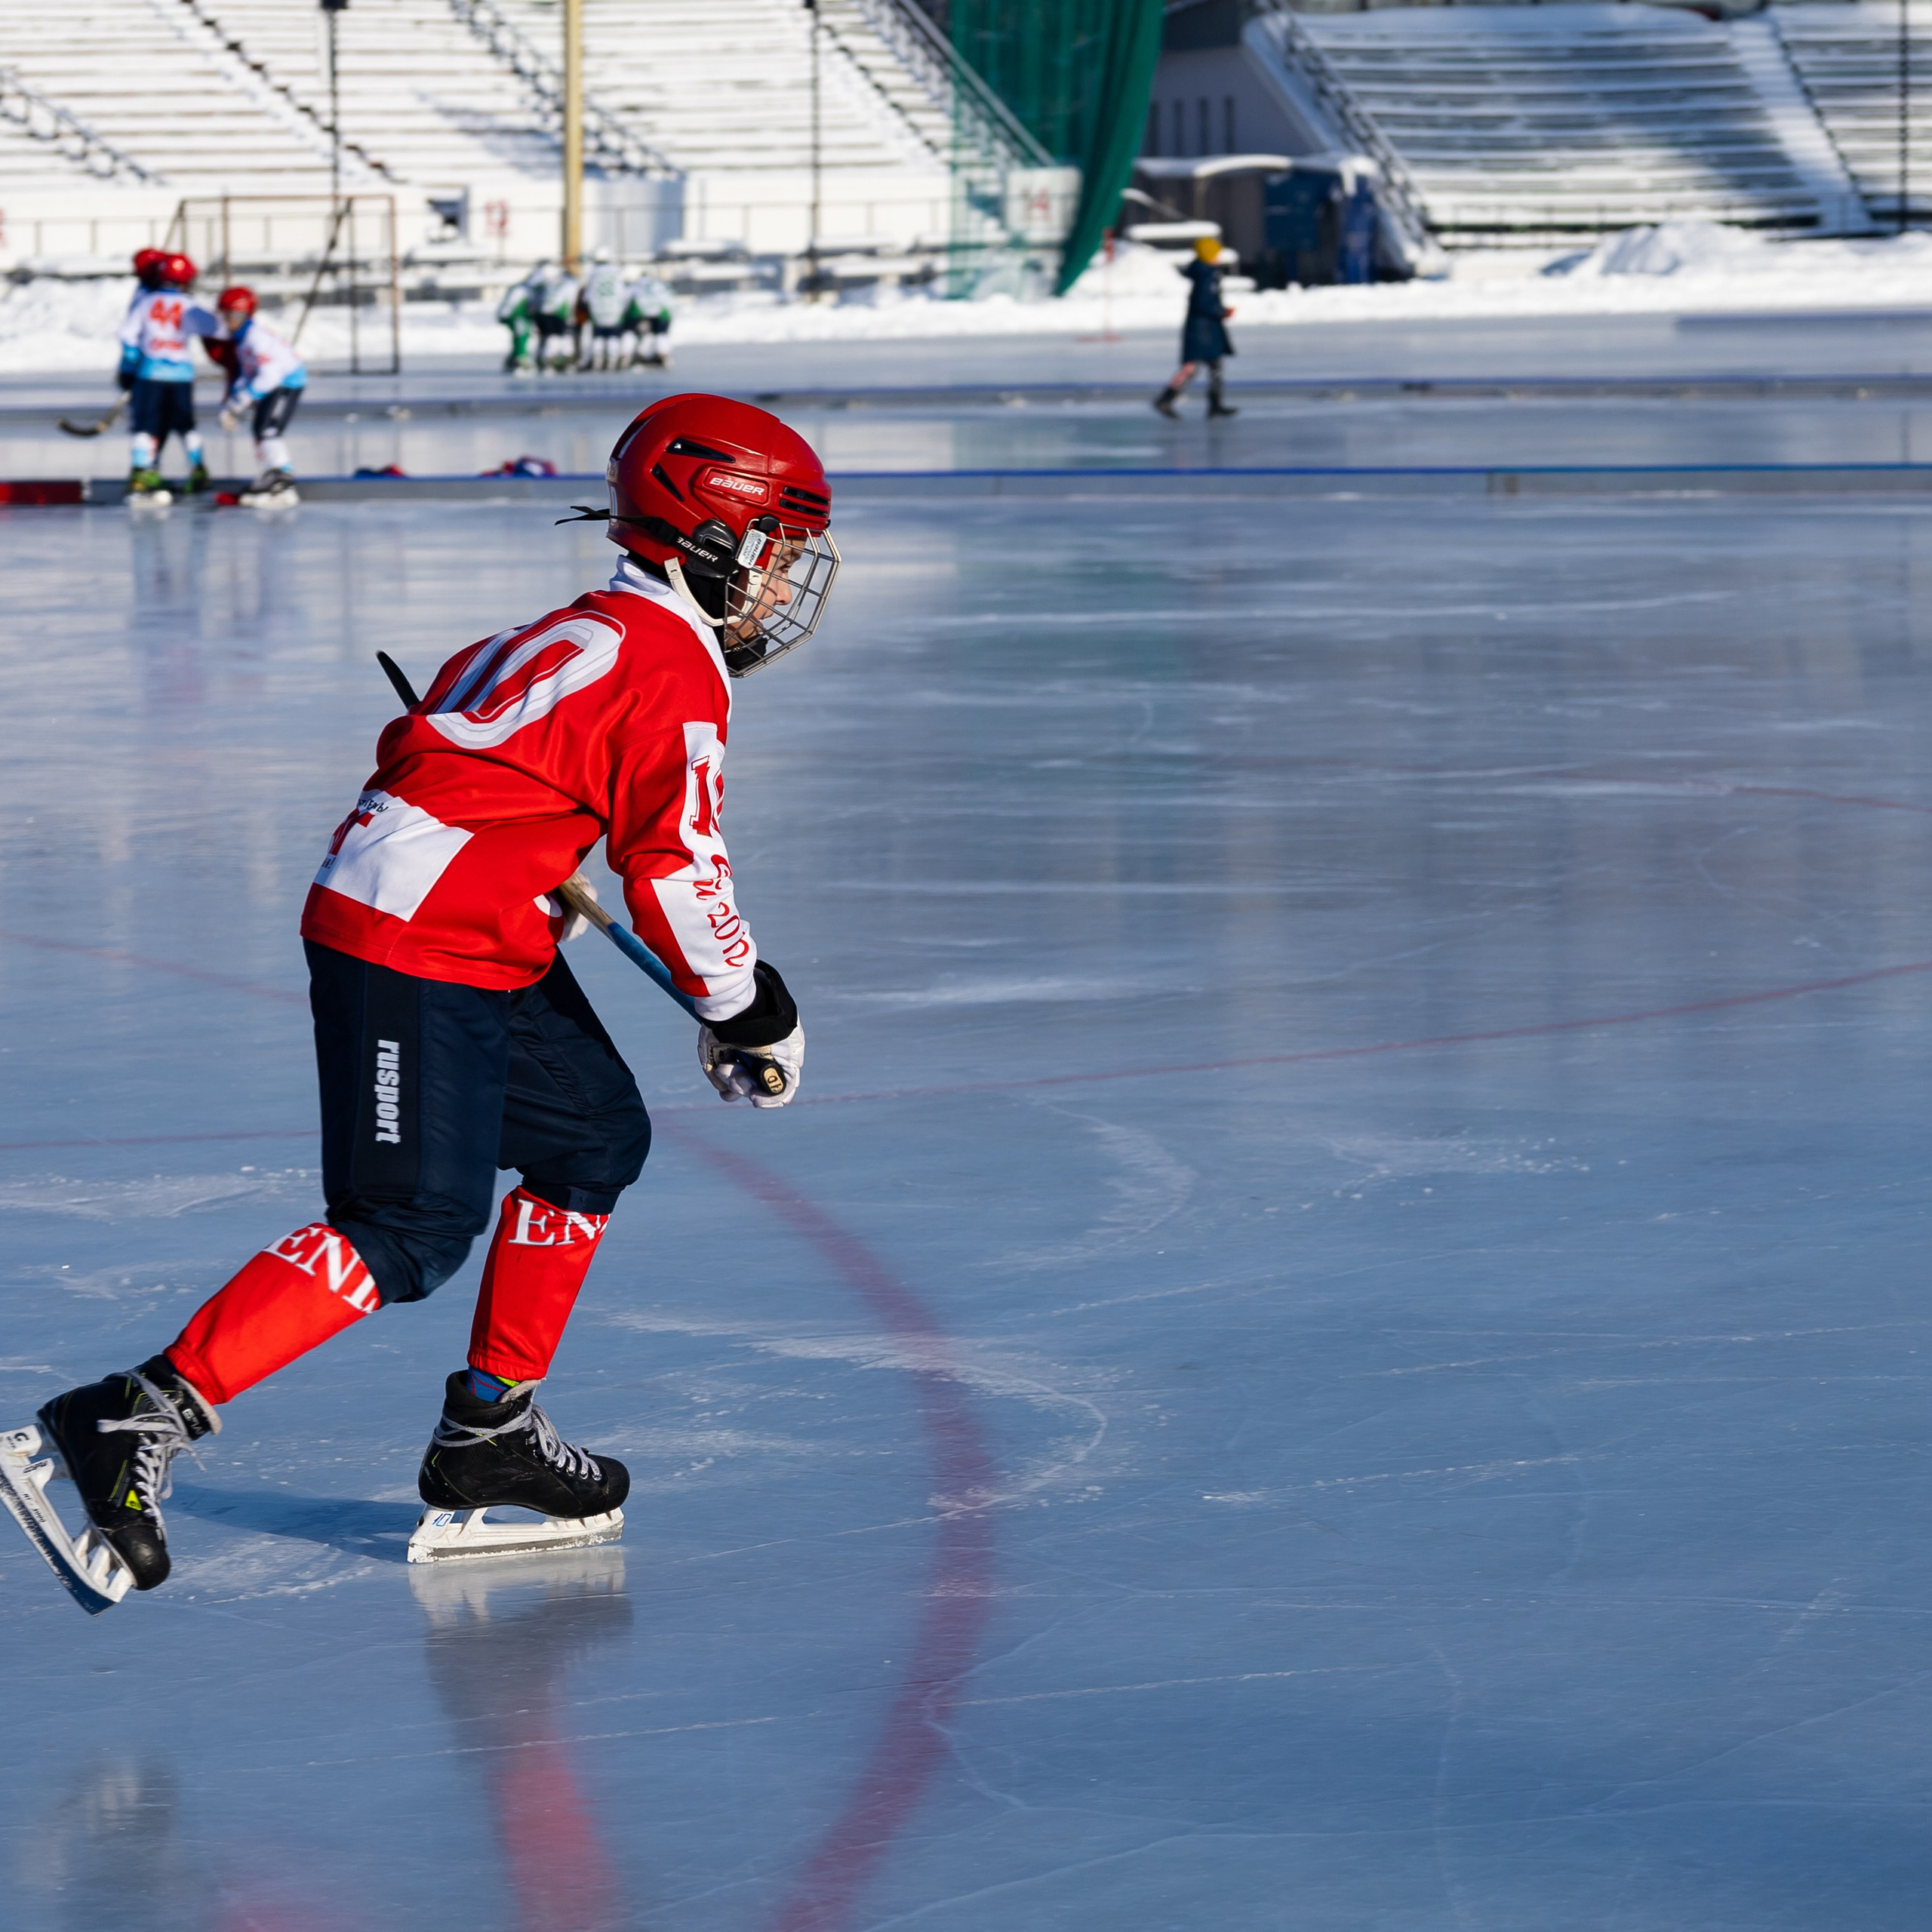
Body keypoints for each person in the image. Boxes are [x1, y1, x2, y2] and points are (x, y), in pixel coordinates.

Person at [0, 394, 842, 1609]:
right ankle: (133, 1413)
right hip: (414, 939)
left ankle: (488, 1431)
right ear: (713, 540)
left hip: (475, 925)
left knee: (594, 1137)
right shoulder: (671, 674)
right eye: (774, 554)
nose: (779, 589)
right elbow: (674, 867)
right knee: (408, 1227)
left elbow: (438, 735)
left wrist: (517, 849)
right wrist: (747, 1002)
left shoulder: (588, 627)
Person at [118, 252, 220, 502]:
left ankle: (142, 473)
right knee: (185, 425)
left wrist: (132, 363)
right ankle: (198, 470)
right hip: (181, 376)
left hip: (150, 373)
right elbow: (214, 326)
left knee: (146, 425)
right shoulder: (188, 305)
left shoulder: (145, 301)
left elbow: (128, 335)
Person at [213, 287, 308, 506]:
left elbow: (269, 377)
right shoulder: (243, 339)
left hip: (287, 382)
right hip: (275, 382)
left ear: (246, 315)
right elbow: (248, 373)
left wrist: (239, 403)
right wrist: (230, 404)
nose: (228, 322)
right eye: (225, 316)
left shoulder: (256, 338)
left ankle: (282, 478)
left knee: (269, 429)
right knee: (260, 429)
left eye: (234, 316)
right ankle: (272, 473)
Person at [1152, 235, 1238, 421]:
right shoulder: (1206, 274)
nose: (1218, 257)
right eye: (1216, 254)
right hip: (1201, 329)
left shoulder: (1207, 272)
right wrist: (1221, 312)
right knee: (1192, 367)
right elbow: (1202, 302)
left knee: (1215, 364)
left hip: (1207, 328)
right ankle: (1166, 399)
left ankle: (1215, 405)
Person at [578, 248, 629, 371]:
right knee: (613, 336)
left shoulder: (593, 273)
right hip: (614, 310)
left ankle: (598, 361)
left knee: (598, 337)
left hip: (597, 310)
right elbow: (623, 293)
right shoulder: (616, 272)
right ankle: (612, 362)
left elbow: (587, 296)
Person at [497, 264, 543, 375]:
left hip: (521, 318)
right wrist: (505, 315)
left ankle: (513, 360)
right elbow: (510, 304)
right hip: (516, 317)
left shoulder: (527, 290)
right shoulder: (522, 290)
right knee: (521, 336)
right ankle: (520, 360)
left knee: (522, 336)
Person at [625, 266, 674, 370]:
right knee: (660, 335)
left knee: (642, 334)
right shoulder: (657, 284)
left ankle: (636, 355)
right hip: (662, 313)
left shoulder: (638, 285)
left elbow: (627, 296)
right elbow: (668, 297)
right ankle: (663, 357)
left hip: (644, 313)